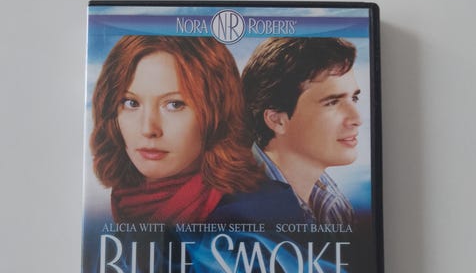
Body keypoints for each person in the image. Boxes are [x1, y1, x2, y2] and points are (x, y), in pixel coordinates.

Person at [90, 36, 303, 224]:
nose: (148, 129)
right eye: (131, 103)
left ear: (218, 112)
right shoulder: (123, 202)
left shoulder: (266, 208)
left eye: (174, 104)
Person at [242, 38, 363, 225]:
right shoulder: (241, 211)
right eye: (332, 102)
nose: (357, 119)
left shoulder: (331, 201)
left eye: (354, 98)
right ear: (277, 120)